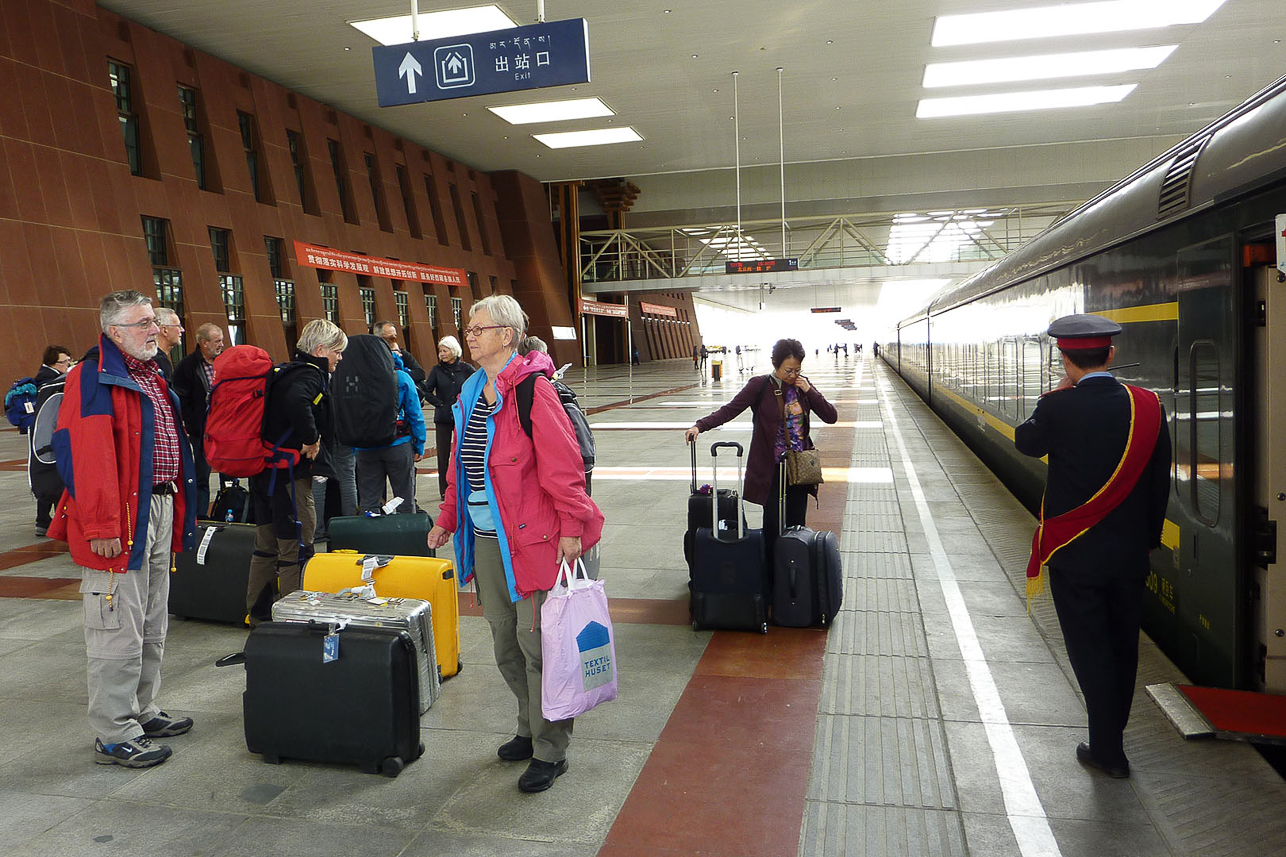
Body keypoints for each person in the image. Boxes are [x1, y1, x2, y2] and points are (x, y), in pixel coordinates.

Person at [426, 294, 604, 794]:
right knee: (505, 643)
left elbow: (563, 466)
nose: (470, 335)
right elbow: (459, 467)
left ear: (506, 335)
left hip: (533, 538)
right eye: (468, 328)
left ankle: (551, 749)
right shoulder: (469, 390)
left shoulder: (533, 391)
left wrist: (573, 525)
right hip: (486, 538)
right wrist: (447, 518)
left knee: (537, 647)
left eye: (478, 328)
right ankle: (528, 727)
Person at [1015, 314, 1170, 780]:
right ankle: (1110, 740)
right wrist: (1147, 542)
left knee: (1090, 651)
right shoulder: (1148, 406)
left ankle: (1108, 750)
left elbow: (1026, 442)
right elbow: (1159, 483)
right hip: (1128, 556)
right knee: (1123, 647)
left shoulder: (1057, 407)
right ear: (1111, 355)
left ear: (1064, 357)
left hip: (1075, 555)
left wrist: (1057, 393)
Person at [48, 290, 197, 768]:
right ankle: (113, 732)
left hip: (158, 507)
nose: (154, 329)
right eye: (142, 323)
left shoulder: (151, 375)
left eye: (154, 320)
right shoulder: (92, 377)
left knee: (151, 620)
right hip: (120, 519)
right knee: (115, 626)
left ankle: (140, 709)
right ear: (114, 331)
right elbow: (86, 455)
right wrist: (101, 523)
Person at [685, 338, 837, 556]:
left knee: (798, 526)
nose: (793, 375)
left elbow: (831, 416)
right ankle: (771, 577)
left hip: (799, 467)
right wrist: (700, 425)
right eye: (788, 370)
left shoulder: (803, 387)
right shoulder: (760, 385)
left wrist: (810, 390)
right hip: (772, 469)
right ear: (775, 364)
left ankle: (793, 575)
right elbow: (730, 410)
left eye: (797, 370)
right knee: (773, 526)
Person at [245, 319, 346, 623]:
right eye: (337, 352)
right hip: (288, 475)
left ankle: (258, 612)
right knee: (298, 545)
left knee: (265, 545)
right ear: (320, 350)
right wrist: (311, 439)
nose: (339, 358)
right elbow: (297, 402)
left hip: (263, 471)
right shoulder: (309, 376)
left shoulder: (282, 372)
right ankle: (293, 617)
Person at [353, 342, 426, 514]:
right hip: (398, 444)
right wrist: (419, 444)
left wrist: (354, 447)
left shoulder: (355, 379)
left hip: (365, 447)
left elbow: (349, 412)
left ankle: (371, 537)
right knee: (404, 498)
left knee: (369, 500)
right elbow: (415, 414)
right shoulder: (401, 377)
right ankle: (404, 538)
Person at [172, 323, 225, 519]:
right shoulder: (187, 366)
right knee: (201, 475)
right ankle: (200, 517)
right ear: (204, 343)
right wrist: (193, 421)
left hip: (226, 429)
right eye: (217, 341)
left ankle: (229, 511)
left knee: (230, 473)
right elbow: (181, 397)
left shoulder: (227, 362)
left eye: (221, 340)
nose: (221, 344)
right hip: (201, 430)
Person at [422, 336, 474, 500]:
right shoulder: (437, 370)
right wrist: (440, 404)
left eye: (444, 351)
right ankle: (444, 490)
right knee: (443, 455)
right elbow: (426, 390)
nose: (442, 354)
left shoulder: (466, 369)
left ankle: (466, 485)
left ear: (453, 351)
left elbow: (478, 386)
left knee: (465, 452)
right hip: (443, 418)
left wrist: (467, 403)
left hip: (462, 417)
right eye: (440, 351)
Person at [30, 345, 73, 536]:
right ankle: (51, 522)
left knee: (50, 480)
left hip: (42, 434)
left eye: (68, 360)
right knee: (54, 480)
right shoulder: (49, 381)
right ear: (52, 364)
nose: (67, 364)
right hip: (48, 435)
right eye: (63, 362)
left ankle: (45, 521)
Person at [372, 320, 426, 389]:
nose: (394, 340)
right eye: (391, 338)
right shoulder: (373, 355)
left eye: (395, 336)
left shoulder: (403, 354)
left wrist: (402, 374)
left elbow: (420, 373)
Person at [152, 307, 184, 381]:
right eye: (178, 326)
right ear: (164, 330)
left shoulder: (153, 357)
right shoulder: (159, 361)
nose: (182, 330)